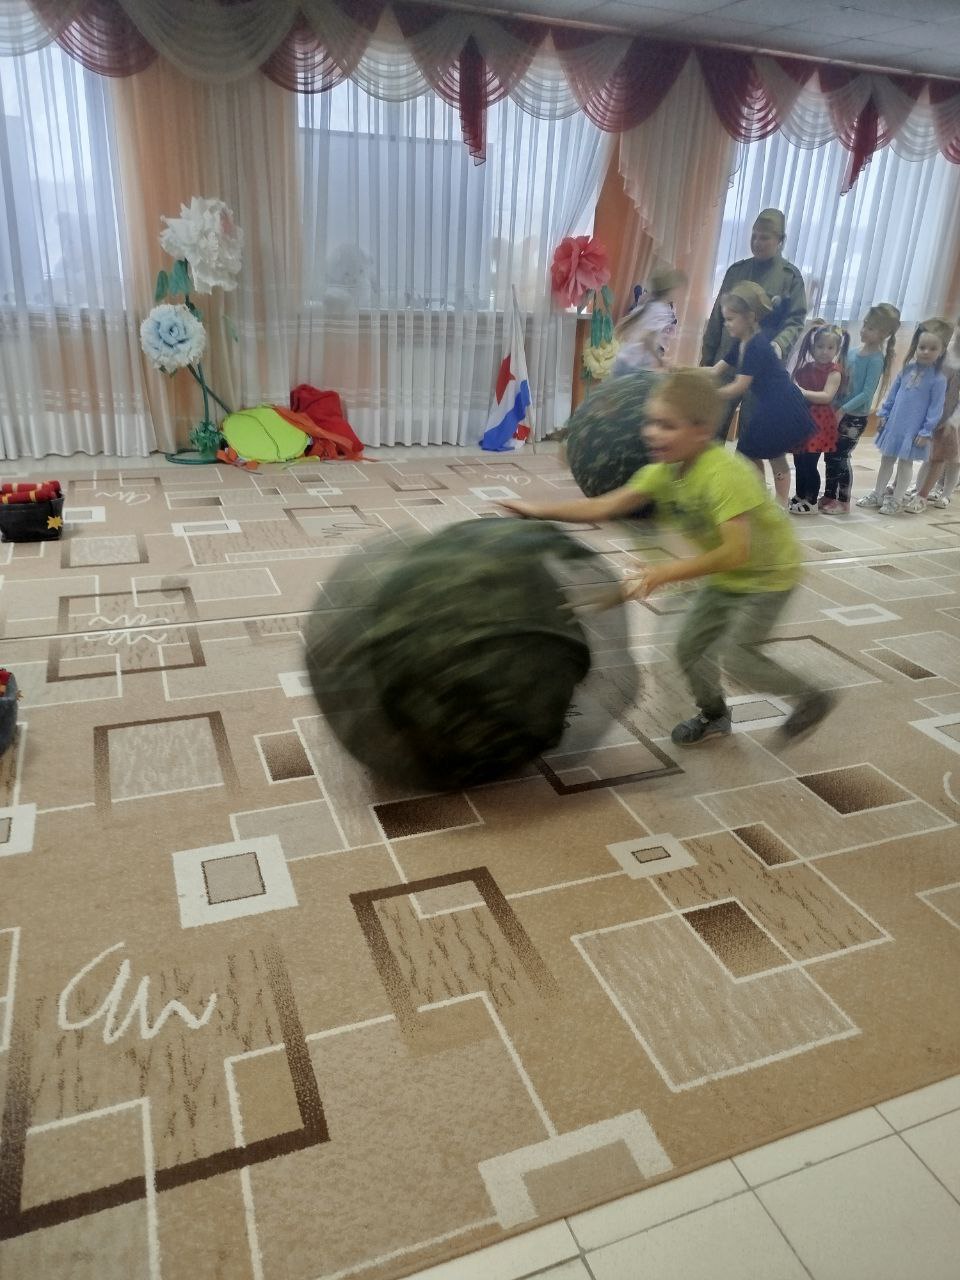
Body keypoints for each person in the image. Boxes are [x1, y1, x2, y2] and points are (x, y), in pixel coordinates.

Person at [499, 368, 835, 747]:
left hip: (769, 576)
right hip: (726, 577)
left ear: (701, 431)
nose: (651, 433)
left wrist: (665, 573)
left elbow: (734, 552)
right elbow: (604, 505)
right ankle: (714, 714)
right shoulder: (663, 472)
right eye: (650, 422)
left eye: (666, 425)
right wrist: (536, 510)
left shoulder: (726, 475)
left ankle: (811, 697)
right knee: (689, 648)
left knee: (739, 658)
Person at [701, 208, 807, 440]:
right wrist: (707, 360)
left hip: (761, 365)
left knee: (752, 434)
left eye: (765, 237)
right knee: (711, 427)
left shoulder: (790, 277)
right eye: (754, 236)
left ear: (780, 240)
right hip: (727, 358)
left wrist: (779, 344)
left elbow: (795, 320)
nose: (757, 242)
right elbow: (717, 319)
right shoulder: (736, 272)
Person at [705, 282, 815, 506]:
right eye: (725, 319)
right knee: (753, 452)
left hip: (782, 405)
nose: (726, 324)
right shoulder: (741, 343)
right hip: (770, 405)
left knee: (766, 453)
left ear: (750, 317)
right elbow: (716, 370)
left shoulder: (756, 345)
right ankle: (761, 498)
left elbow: (739, 386)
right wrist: (684, 372)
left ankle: (778, 503)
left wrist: (710, 395)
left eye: (731, 319)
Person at [856, 321, 949, 515]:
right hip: (895, 425)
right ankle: (878, 494)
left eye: (932, 348)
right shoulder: (907, 369)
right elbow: (892, 394)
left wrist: (926, 431)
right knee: (886, 460)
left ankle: (896, 500)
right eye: (922, 347)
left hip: (913, 431)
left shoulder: (938, 379)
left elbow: (936, 409)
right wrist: (884, 413)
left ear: (941, 351)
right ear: (916, 346)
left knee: (905, 463)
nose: (926, 352)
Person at [820, 303, 901, 513]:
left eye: (870, 328)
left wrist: (843, 410)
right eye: (865, 325)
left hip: (854, 417)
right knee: (830, 455)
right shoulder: (853, 352)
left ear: (884, 333)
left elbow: (866, 393)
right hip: (837, 411)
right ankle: (829, 496)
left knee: (841, 456)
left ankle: (843, 501)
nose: (864, 330)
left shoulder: (876, 360)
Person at [790, 323, 848, 513]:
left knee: (809, 462)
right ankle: (800, 495)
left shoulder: (834, 372)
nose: (824, 351)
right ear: (812, 347)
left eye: (830, 347)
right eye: (820, 346)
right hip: (802, 419)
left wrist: (802, 392)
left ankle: (812, 500)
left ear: (837, 350)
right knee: (799, 461)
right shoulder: (805, 368)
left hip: (819, 423)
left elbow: (826, 396)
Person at [905, 316, 960, 512]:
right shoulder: (943, 350)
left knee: (951, 459)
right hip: (933, 415)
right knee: (930, 456)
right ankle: (920, 489)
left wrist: (953, 421)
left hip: (951, 419)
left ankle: (943, 494)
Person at [611, 266, 687, 376]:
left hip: (624, 361)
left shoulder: (650, 305)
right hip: (632, 366)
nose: (681, 295)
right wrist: (660, 361)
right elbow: (647, 339)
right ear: (671, 290)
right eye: (679, 290)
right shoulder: (661, 310)